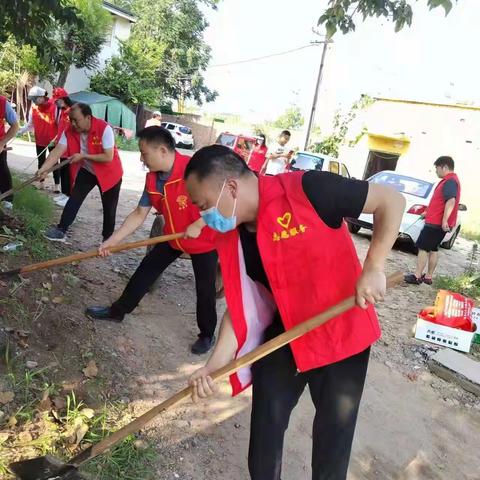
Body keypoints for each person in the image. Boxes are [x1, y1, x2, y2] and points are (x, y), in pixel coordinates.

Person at [183, 145, 405, 480]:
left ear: (230, 188)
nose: (203, 215)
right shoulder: (237, 236)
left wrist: (374, 266)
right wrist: (212, 367)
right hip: (285, 334)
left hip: (341, 332)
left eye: (203, 205)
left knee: (333, 440)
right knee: (265, 431)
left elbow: (392, 201)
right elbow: (243, 308)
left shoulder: (309, 189)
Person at [85, 126, 219, 355]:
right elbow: (139, 213)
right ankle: (118, 311)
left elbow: (222, 202)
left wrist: (199, 223)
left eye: (144, 153)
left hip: (205, 240)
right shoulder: (153, 180)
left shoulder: (195, 169)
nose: (141, 158)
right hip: (174, 237)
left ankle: (206, 334)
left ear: (163, 151)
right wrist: (113, 240)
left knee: (205, 289)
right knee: (146, 269)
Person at [38, 103, 123, 242]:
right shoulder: (70, 130)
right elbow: (58, 150)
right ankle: (61, 229)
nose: (73, 123)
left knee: (109, 208)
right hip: (88, 171)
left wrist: (83, 156)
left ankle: (107, 240)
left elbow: (108, 157)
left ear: (88, 117)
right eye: (70, 120)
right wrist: (44, 168)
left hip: (110, 173)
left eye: (76, 120)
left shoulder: (104, 128)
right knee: (74, 198)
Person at [405, 156, 461, 285]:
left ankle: (417, 276)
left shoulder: (450, 181)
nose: (436, 171)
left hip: (436, 223)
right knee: (434, 248)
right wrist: (428, 212)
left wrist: (444, 220)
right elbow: (441, 201)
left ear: (444, 167)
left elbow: (451, 201)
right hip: (436, 220)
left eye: (437, 168)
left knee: (423, 248)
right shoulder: (450, 180)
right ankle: (428, 277)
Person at [18, 86, 59, 191]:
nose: (34, 101)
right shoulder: (34, 108)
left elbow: (60, 124)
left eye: (35, 99)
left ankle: (56, 185)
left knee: (54, 162)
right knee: (41, 161)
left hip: (52, 141)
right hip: (40, 139)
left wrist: (57, 138)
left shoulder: (54, 107)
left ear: (42, 97)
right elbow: (30, 124)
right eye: (32, 99)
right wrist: (21, 131)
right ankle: (41, 183)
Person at [52, 87, 74, 207]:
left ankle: (70, 196)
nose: (56, 103)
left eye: (57, 100)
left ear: (63, 99)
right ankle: (64, 193)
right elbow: (61, 129)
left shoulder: (72, 112)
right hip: (62, 147)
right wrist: (57, 139)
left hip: (69, 148)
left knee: (68, 172)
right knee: (63, 171)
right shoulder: (62, 112)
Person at [0, 95, 20, 209]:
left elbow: (15, 125)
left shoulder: (2, 103)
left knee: (2, 169)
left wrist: (2, 143)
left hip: (0, 143)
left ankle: (7, 199)